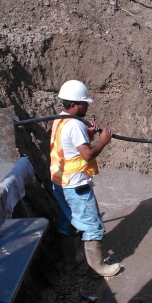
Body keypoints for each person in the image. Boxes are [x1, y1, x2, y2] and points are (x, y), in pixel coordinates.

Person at [49, 79, 120, 277]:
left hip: (60, 182)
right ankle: (97, 268)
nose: (87, 105)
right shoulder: (74, 126)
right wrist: (103, 141)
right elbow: (87, 155)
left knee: (68, 221)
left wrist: (87, 136)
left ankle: (69, 262)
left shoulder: (60, 119)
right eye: (84, 103)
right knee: (92, 226)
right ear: (73, 105)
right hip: (76, 185)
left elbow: (71, 148)